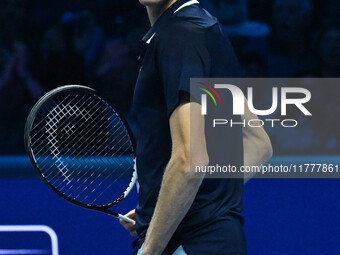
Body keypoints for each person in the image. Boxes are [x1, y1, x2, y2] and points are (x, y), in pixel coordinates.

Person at [120, 1, 272, 254]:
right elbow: (258, 144)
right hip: (217, 240)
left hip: (189, 243)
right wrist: (168, 204)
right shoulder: (202, 27)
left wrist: (150, 249)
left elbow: (190, 162)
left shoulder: (179, 35)